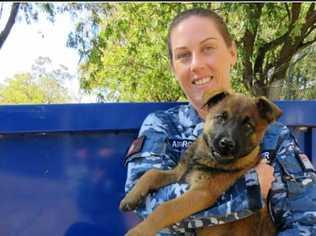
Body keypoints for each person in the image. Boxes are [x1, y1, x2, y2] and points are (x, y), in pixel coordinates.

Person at [123, 8, 316, 235]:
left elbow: (307, 221)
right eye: (183, 55)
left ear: (232, 52)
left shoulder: (275, 136)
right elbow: (147, 206)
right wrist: (246, 193)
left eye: (208, 48)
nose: (196, 64)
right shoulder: (161, 126)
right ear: (173, 67)